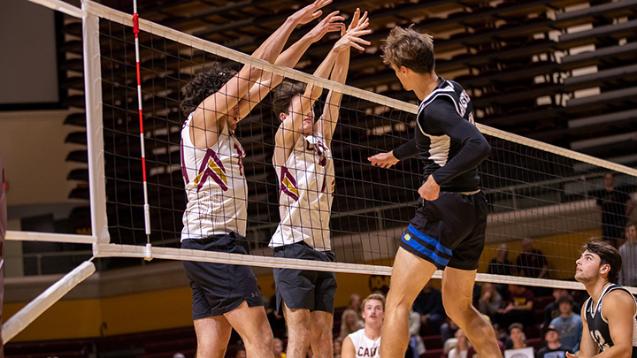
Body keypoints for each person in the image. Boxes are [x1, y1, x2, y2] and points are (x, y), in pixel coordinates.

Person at [178, 1, 342, 356]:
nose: (243, 106)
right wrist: (292, 21)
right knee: (263, 341)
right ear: (216, 98)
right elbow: (254, 71)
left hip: (213, 244)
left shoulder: (224, 127)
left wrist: (310, 38)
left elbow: (269, 79)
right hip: (213, 245)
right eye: (235, 100)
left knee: (212, 347)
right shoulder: (202, 119)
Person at [367, 26, 500, 357]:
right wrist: (396, 155)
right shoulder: (453, 90)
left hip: (444, 208)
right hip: (472, 208)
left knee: (397, 302)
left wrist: (438, 178)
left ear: (405, 70)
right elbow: (431, 137)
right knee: (459, 309)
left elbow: (478, 144)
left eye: (396, 72)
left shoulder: (431, 109)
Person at [269, 10, 371, 358]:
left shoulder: (320, 137)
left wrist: (343, 48)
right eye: (303, 110)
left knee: (324, 334)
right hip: (292, 247)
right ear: (286, 117)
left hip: (323, 247)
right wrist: (332, 49)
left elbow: (335, 93)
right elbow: (314, 93)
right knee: (297, 331)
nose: (309, 113)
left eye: (310, 111)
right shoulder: (284, 142)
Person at [567, 240, 637, 357]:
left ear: (604, 269)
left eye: (588, 258)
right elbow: (587, 355)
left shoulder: (616, 298)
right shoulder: (587, 307)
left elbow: (624, 351)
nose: (578, 261)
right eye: (580, 257)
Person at [596, 173, 635, 247]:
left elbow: (632, 203)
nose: (608, 181)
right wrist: (602, 218)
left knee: (621, 244)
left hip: (619, 221)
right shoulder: (601, 193)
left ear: (613, 180)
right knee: (609, 246)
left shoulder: (619, 191)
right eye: (606, 179)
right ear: (604, 180)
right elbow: (598, 207)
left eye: (610, 178)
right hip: (607, 223)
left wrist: (625, 216)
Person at [341, 293, 384, 358]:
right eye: (369, 308)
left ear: (384, 314)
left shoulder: (392, 339)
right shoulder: (351, 340)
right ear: (363, 314)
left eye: (377, 308)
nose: (373, 311)